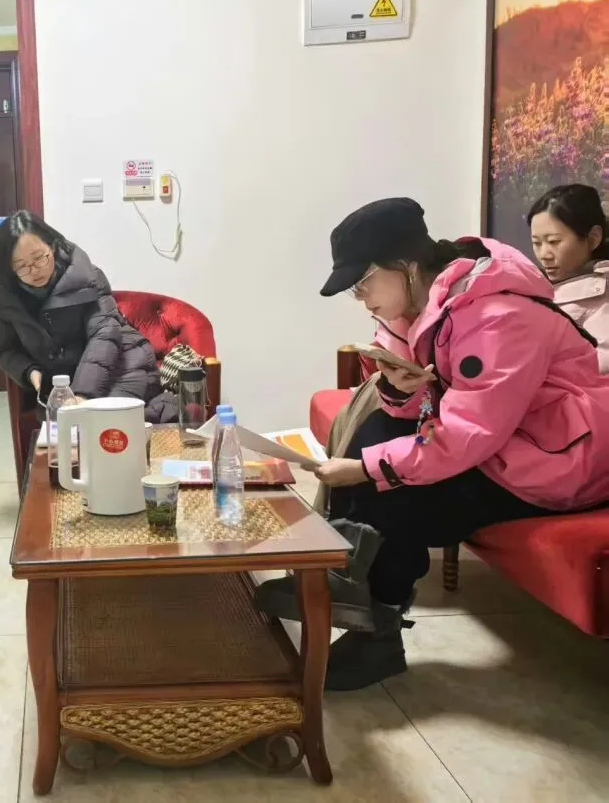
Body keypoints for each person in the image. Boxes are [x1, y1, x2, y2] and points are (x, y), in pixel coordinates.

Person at [254, 197, 609, 691]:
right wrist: (399, 390)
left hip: (559, 459)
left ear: (404, 267)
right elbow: (419, 413)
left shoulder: (498, 315)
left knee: (400, 493)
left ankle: (377, 634)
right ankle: (349, 577)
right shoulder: (421, 307)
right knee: (374, 432)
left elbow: (467, 434)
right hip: (506, 443)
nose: (360, 298)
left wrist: (369, 469)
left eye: (363, 283)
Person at [0, 210, 177, 422]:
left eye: (39, 258)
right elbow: (5, 350)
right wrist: (32, 374)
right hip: (68, 381)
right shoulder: (7, 297)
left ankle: (168, 410)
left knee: (103, 420)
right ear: (9, 270)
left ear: (53, 246)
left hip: (123, 362)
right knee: (71, 430)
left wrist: (82, 395)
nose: (34, 270)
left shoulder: (87, 277)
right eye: (22, 266)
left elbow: (104, 334)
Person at [528, 183, 609, 373]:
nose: (544, 255)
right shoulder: (529, 285)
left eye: (554, 242)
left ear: (593, 238)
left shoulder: (603, 293)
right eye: (536, 243)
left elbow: (600, 363)